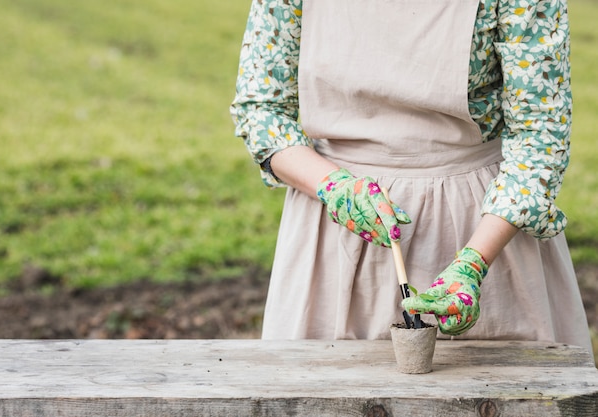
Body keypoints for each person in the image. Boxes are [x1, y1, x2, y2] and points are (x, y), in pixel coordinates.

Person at [230, 0, 592, 353]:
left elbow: (540, 133)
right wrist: (333, 186)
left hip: (486, 226)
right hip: (333, 232)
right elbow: (262, 109)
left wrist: (474, 264)